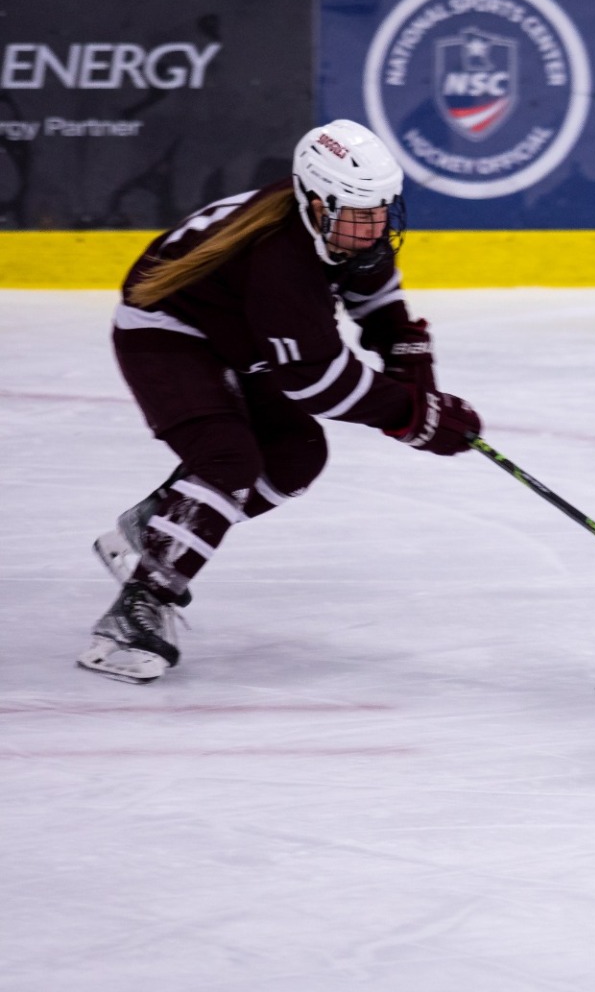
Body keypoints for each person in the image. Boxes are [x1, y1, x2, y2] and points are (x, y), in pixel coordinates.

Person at [80, 119, 483, 684]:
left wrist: (410, 363)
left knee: (296, 454)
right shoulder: (281, 260)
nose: (374, 228)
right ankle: (139, 605)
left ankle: (158, 528)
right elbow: (317, 383)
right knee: (229, 458)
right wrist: (412, 416)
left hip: (236, 332)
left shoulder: (343, 227)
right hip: (166, 332)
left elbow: (377, 302)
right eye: (359, 214)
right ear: (317, 204)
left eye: (381, 211)